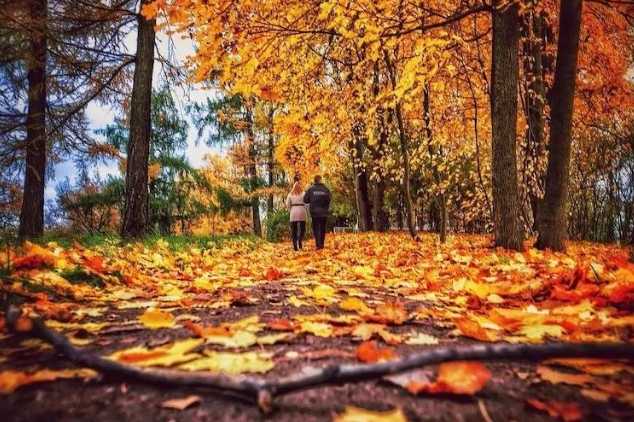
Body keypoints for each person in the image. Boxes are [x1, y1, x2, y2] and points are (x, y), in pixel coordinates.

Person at [303, 175, 331, 250]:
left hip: (314, 212)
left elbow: (305, 200)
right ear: (321, 180)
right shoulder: (326, 190)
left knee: (315, 228)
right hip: (323, 212)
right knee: (322, 228)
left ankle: (318, 244)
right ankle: (321, 244)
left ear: (314, 181)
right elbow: (328, 199)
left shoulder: (311, 190)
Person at [285, 181, 307, 251]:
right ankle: (300, 240)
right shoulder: (303, 194)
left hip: (293, 211)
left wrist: (291, 210)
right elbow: (306, 203)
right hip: (301, 211)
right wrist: (305, 210)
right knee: (303, 228)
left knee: (293, 230)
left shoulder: (290, 194)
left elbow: (287, 204)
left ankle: (295, 245)